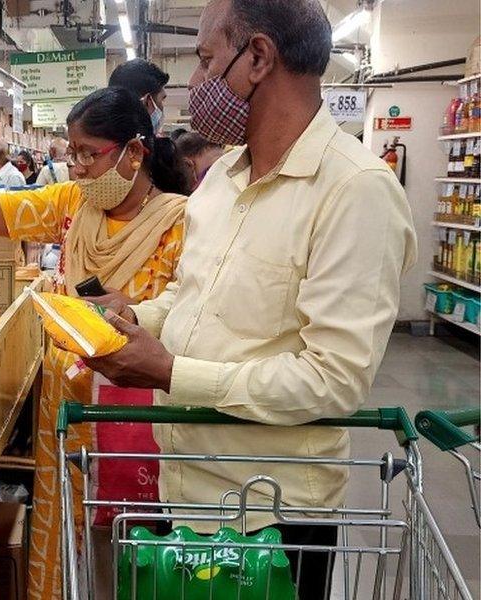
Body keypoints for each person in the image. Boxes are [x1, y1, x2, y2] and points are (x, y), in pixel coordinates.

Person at [85, 1, 417, 598]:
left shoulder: (355, 192)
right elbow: (193, 299)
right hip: (182, 490)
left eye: (208, 60)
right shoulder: (223, 181)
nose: (197, 82)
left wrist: (170, 373)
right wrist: (133, 316)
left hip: (271, 516)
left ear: (258, 57)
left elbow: (332, 379)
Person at [0, 86, 190, 600]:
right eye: (71, 153)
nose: (76, 168)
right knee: (68, 541)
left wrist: (134, 311)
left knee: (134, 548)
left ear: (135, 152)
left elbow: (187, 315)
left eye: (88, 154)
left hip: (139, 418)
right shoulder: (72, 206)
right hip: (69, 405)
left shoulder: (181, 223)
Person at [109, 58, 170, 135]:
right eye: (162, 100)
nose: (163, 106)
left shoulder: (99, 138)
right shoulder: (143, 145)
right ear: (147, 101)